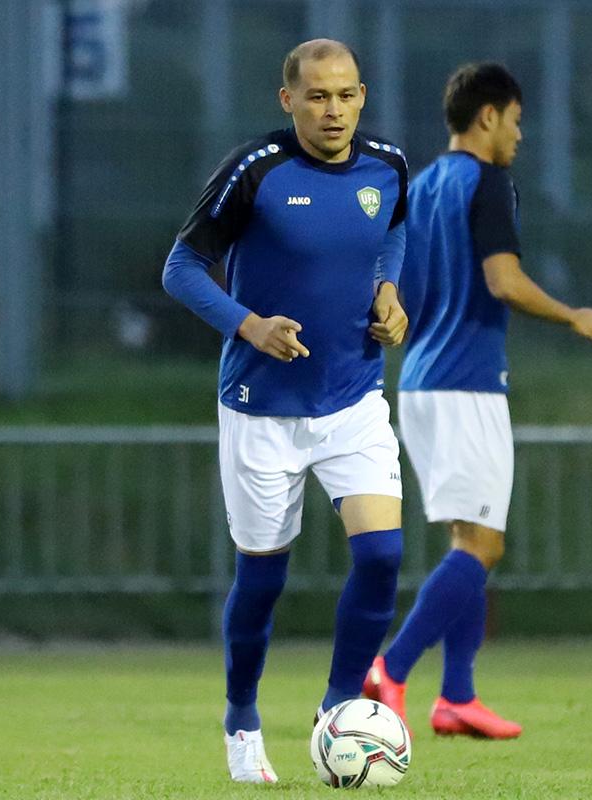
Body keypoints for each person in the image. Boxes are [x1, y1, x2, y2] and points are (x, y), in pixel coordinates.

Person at [162, 38, 410, 783]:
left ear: (361, 96)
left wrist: (390, 293)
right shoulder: (255, 171)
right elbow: (179, 267)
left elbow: (392, 230)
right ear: (289, 100)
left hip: (354, 398)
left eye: (345, 95)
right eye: (317, 97)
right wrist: (251, 324)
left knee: (383, 556)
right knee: (262, 579)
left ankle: (337, 711)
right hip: (261, 408)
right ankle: (241, 719)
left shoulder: (390, 167)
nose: (332, 110)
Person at [362, 62, 592, 739]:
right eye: (518, 122)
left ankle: (458, 698)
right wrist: (572, 314)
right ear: (489, 116)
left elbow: (391, 284)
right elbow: (503, 281)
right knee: (485, 546)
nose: (520, 137)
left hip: (416, 383)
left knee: (467, 540)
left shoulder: (420, 185)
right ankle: (392, 669)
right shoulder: (487, 183)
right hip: (468, 383)